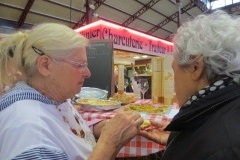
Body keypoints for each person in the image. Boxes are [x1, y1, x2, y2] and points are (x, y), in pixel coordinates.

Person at [0, 23, 144, 160]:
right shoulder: (30, 132)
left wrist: (98, 128)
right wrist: (110, 143)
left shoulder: (54, 95)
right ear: (45, 65)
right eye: (80, 65)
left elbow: (61, 131)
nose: (87, 73)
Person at [139, 10, 240, 159]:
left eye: (175, 71)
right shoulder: (227, 106)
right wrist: (178, 139)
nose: (174, 84)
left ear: (195, 67)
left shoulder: (221, 148)